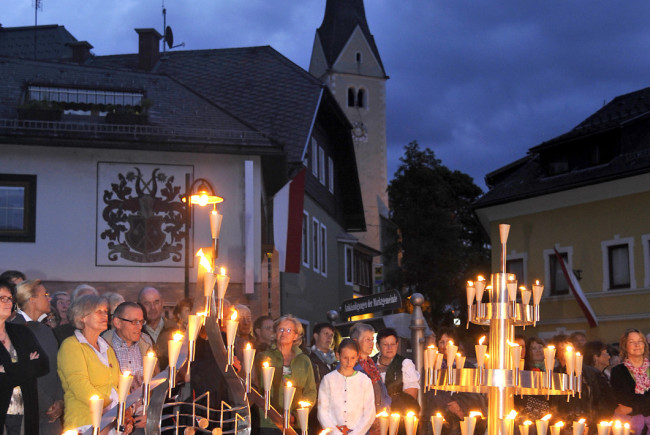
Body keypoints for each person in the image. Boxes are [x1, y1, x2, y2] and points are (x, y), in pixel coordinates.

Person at [57, 294, 133, 433]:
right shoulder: (72, 346)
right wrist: (112, 411)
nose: (105, 315)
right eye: (99, 312)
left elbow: (119, 383)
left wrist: (126, 413)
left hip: (112, 423)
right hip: (85, 423)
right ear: (82, 317)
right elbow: (79, 385)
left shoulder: (106, 347)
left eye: (106, 311)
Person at [13, 280, 64, 435]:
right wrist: (46, 404)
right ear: (31, 299)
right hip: (27, 413)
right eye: (45, 295)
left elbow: (57, 368)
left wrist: (60, 400)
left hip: (52, 415)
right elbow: (22, 373)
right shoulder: (15, 329)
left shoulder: (46, 330)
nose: (49, 299)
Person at [0, 278, 49, 435]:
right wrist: (27, 366)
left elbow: (42, 365)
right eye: (2, 298)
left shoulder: (21, 332)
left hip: (25, 412)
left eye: (10, 298)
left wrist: (6, 370)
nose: (8, 303)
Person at [257, 314, 317, 435]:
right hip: (269, 422)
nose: (284, 333)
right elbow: (256, 387)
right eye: (281, 329)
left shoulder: (304, 360)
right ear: (275, 333)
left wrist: (295, 415)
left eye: (289, 330)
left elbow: (310, 392)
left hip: (295, 424)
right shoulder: (263, 357)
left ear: (296, 335)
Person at [102, 301, 153, 431]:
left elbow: (154, 381)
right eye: (134, 322)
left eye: (141, 322)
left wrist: (150, 412)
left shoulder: (145, 342)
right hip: (115, 422)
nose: (139, 327)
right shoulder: (103, 347)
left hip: (142, 421)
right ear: (117, 323)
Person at [318, 338, 375, 435]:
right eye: (345, 358)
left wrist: (356, 433)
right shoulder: (328, 380)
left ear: (357, 357)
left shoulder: (365, 381)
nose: (349, 362)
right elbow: (322, 412)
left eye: (353, 358)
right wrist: (335, 432)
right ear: (338, 356)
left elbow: (369, 413)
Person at [611, 328, 650, 435]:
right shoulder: (618, 371)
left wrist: (633, 409)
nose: (637, 345)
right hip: (628, 426)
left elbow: (628, 406)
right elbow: (624, 398)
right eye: (632, 342)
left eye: (640, 341)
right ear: (625, 346)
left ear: (644, 344)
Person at [372, 327, 420, 413]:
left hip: (398, 415)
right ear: (378, 346)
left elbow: (410, 398)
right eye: (385, 344)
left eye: (393, 344)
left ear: (397, 345)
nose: (390, 348)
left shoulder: (405, 364)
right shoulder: (370, 364)